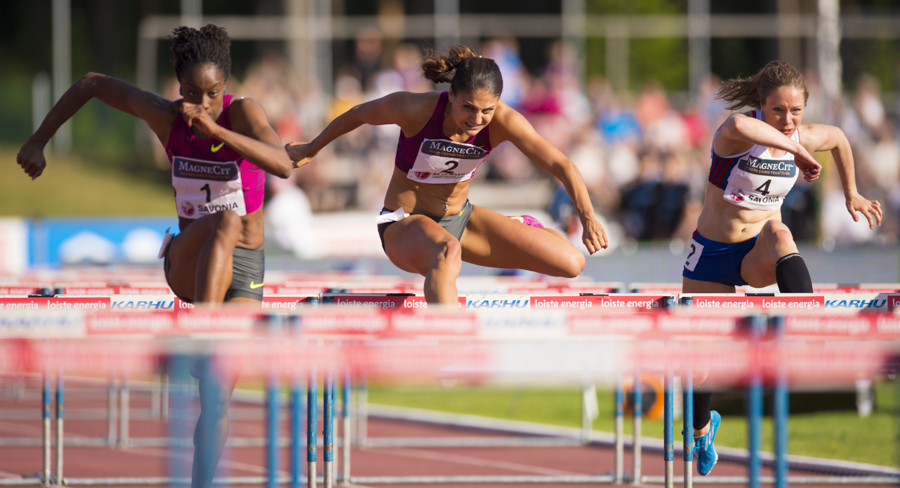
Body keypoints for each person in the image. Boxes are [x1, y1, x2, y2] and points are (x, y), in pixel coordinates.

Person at [16, 24, 293, 488]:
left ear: (226, 88)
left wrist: (217, 130)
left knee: (218, 399)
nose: (200, 104)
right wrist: (38, 140)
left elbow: (282, 163)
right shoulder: (164, 117)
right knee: (226, 219)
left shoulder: (242, 113)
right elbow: (91, 83)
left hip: (245, 267)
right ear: (177, 87)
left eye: (212, 94)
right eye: (191, 94)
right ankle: (201, 338)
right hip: (188, 261)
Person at [682, 60, 882, 475]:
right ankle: (702, 429)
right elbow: (740, 127)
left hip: (759, 251)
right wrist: (796, 149)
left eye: (796, 112)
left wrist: (851, 194)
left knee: (781, 234)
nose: (788, 121)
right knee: (699, 364)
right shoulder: (737, 133)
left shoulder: (804, 133)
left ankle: (809, 334)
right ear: (762, 105)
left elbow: (841, 138)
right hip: (713, 252)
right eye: (778, 111)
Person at [287, 45, 608, 304]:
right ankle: (449, 345)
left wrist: (589, 217)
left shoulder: (503, 122)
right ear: (451, 95)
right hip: (403, 222)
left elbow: (562, 165)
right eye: (468, 107)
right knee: (447, 251)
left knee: (571, 264)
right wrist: (312, 148)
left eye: (487, 110)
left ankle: (520, 226)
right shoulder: (414, 110)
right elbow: (357, 114)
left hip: (461, 219)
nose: (477, 119)